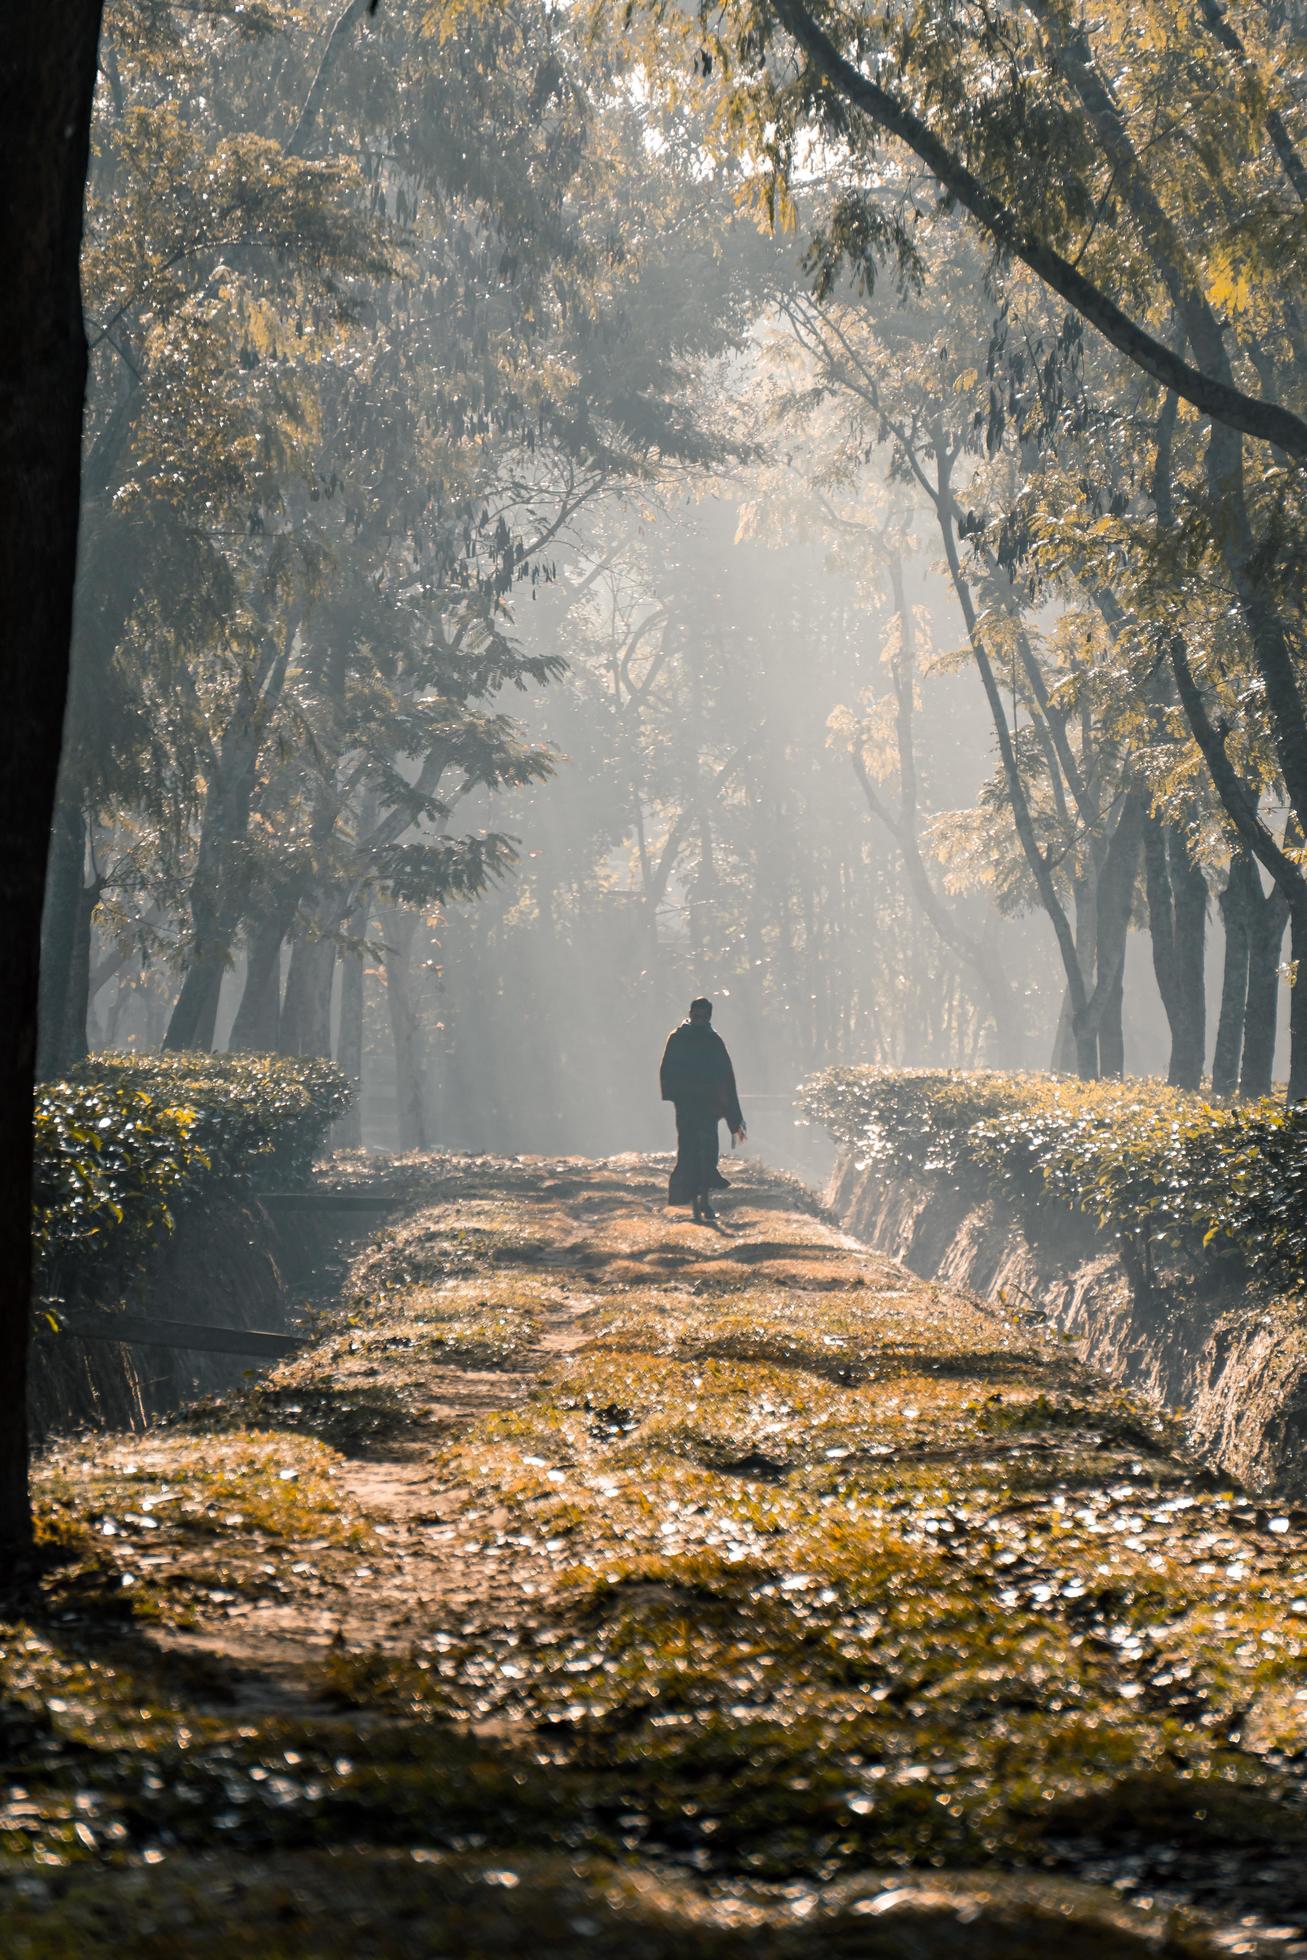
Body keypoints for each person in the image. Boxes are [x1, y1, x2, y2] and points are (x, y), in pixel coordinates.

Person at [659, 996, 746, 1224]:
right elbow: (667, 1070)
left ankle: (705, 1199)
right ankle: (693, 1198)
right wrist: (676, 1094)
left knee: (708, 1153)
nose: (699, 1019)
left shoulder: (714, 1041)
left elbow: (727, 1078)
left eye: (703, 1016)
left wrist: (733, 1117)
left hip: (708, 1107)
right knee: (688, 1150)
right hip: (687, 1106)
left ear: (708, 1017)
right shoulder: (678, 1038)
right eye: (696, 1015)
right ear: (691, 1014)